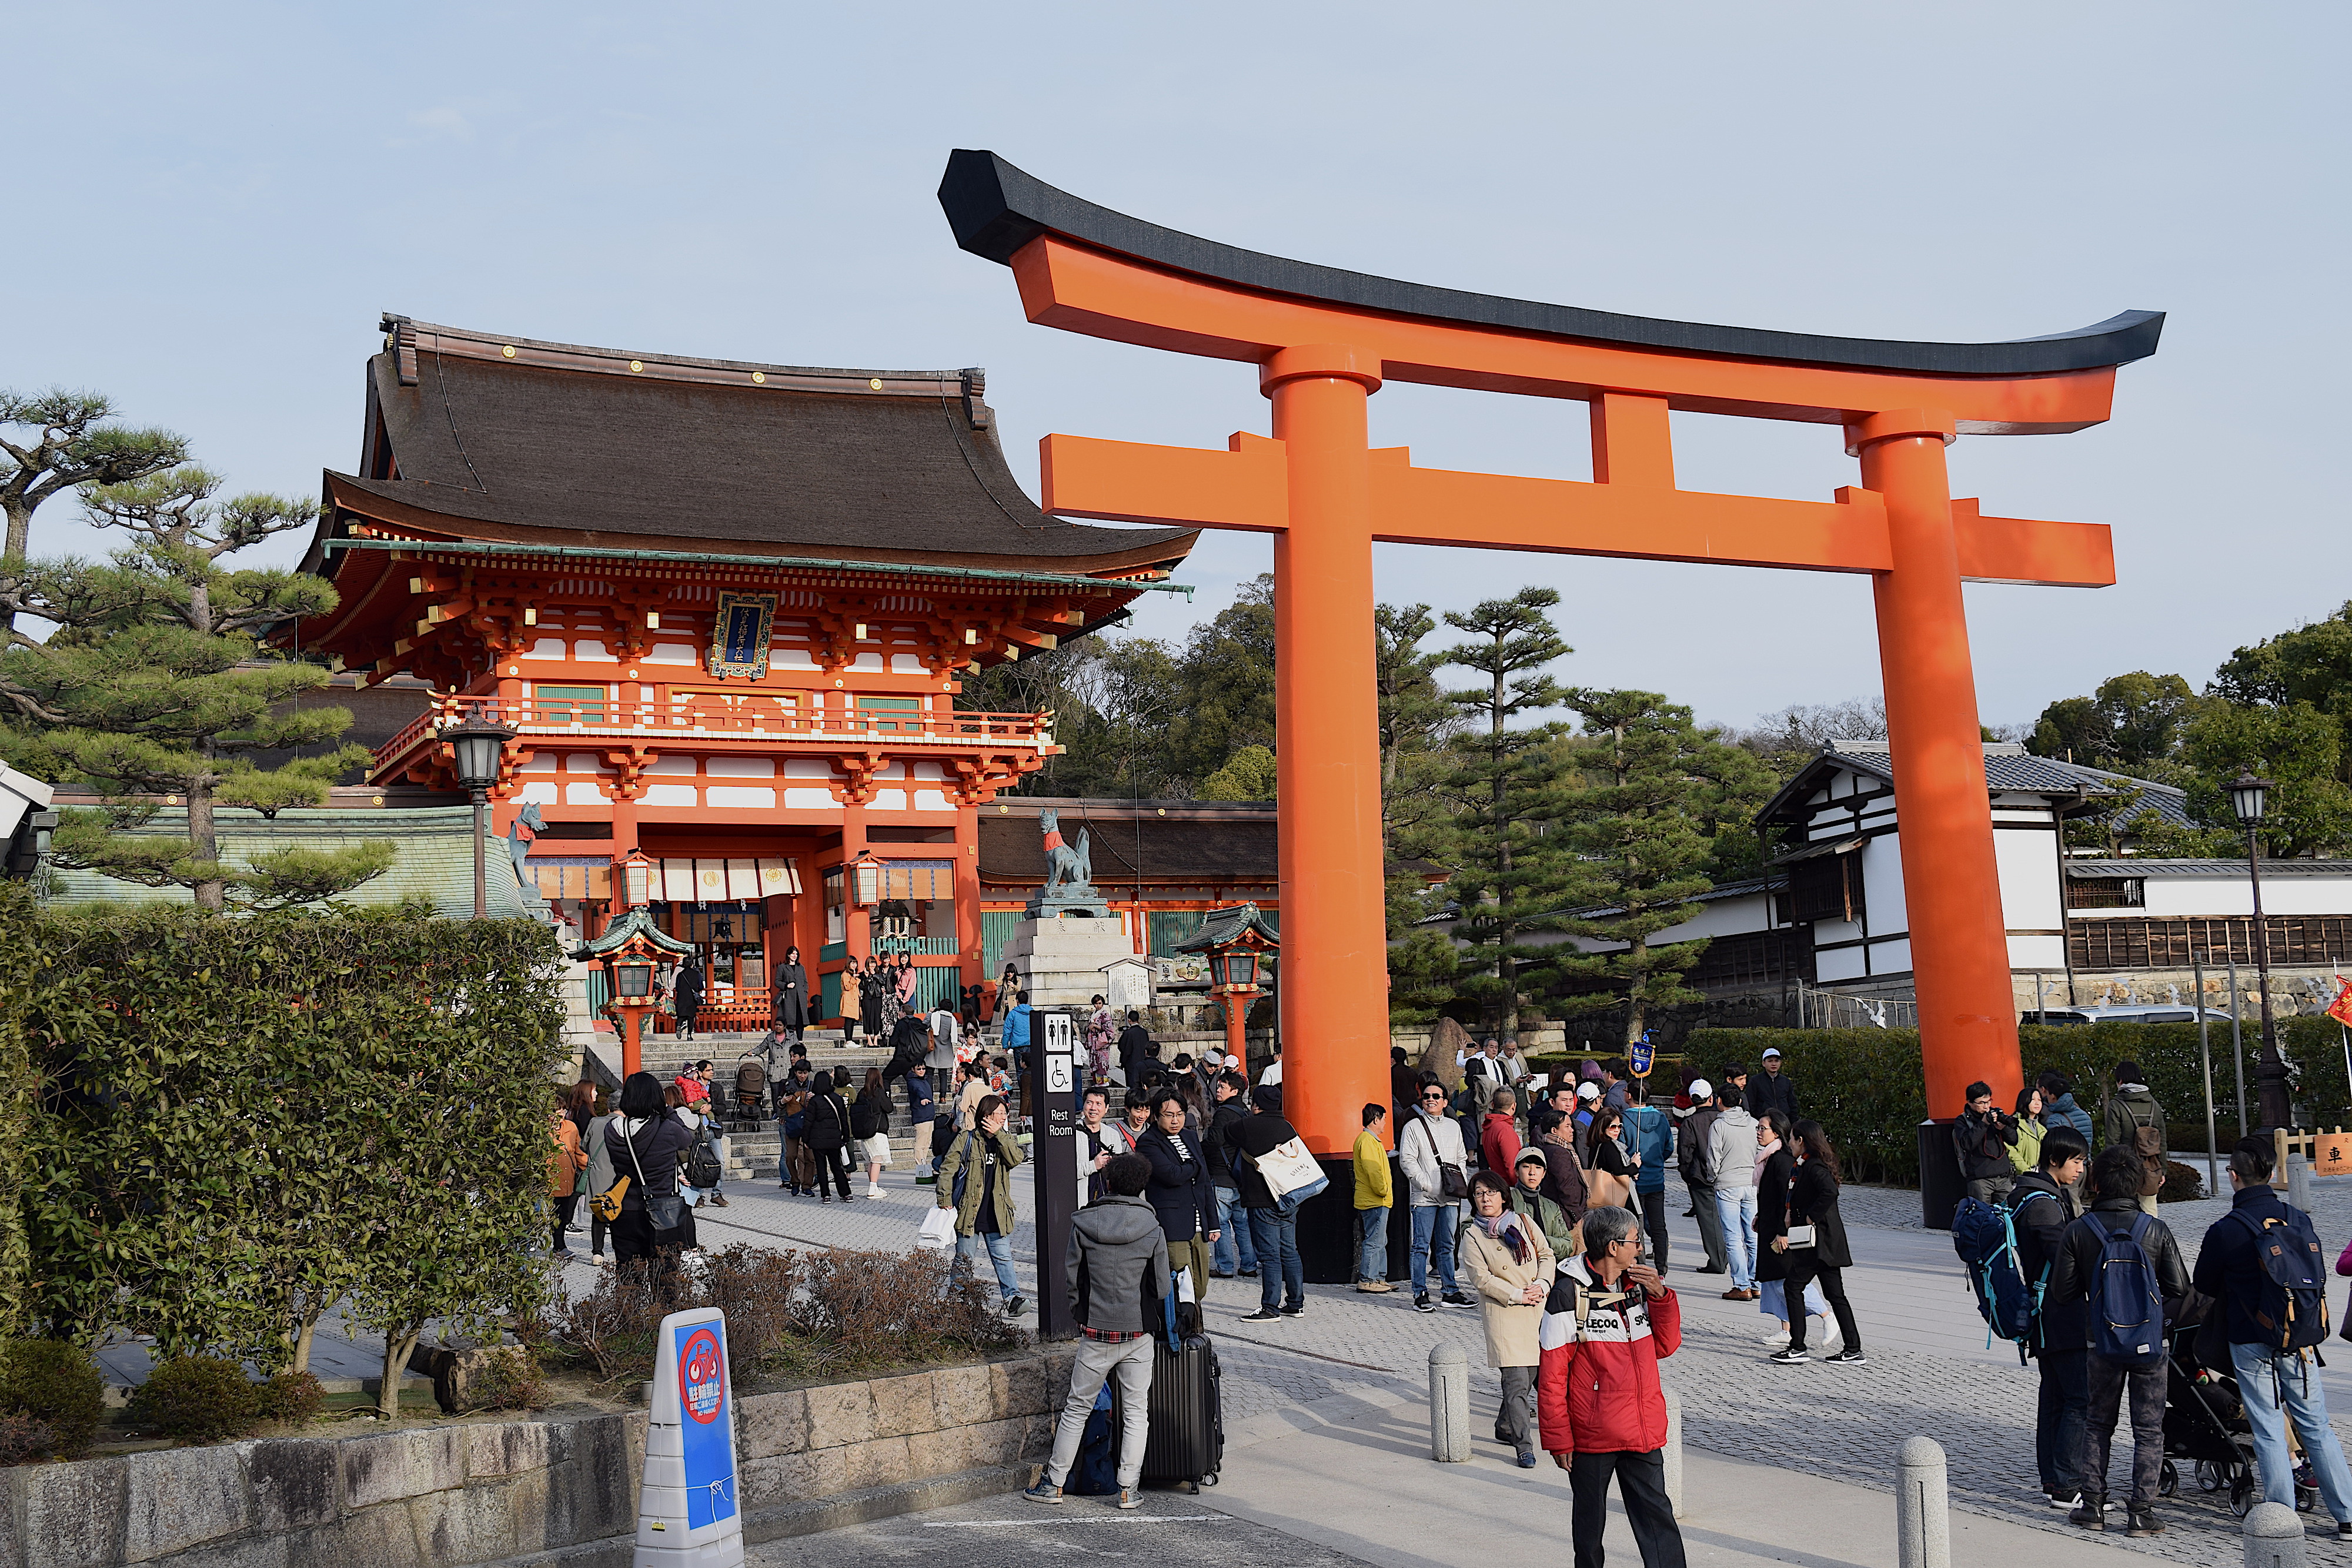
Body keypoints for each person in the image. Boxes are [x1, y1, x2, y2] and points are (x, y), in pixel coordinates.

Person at [2196, 1135, 2352, 1534]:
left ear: (2233, 1175)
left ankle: (2281, 1514)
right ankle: (2347, 1513)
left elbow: (2205, 1283)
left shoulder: (2225, 1230)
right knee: (2316, 1423)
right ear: (2272, 1172)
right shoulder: (2299, 1219)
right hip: (2300, 1338)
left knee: (2267, 1425)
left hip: (2250, 1338)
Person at [2047, 1145, 2191, 1537]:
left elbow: (2063, 1291)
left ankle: (2092, 1506)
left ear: (2096, 1180)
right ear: (2136, 1183)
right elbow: (2180, 1286)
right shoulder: (2154, 1229)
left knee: (2097, 1423)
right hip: (2149, 1343)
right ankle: (2142, 1512)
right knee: (2149, 1429)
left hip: (2100, 1342)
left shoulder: (2080, 1230)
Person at [1539, 1206, 1687, 1568]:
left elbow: (1666, 1347)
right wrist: (1559, 1438)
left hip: (1642, 1429)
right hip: (1592, 1435)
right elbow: (1552, 1374)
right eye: (1635, 1242)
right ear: (1612, 1247)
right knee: (1589, 1530)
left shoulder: (1639, 1288)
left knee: (1659, 1524)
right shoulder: (1567, 1293)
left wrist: (1661, 1296)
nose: (1640, 1249)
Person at [1023, 1153, 1168, 1510]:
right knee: (1136, 1412)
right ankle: (1128, 1489)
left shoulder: (1085, 1223)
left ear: (1108, 1182)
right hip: (1137, 1334)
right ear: (1142, 1186)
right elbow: (1162, 1286)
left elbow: (1072, 1278)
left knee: (1076, 1409)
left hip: (1096, 1333)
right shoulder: (1152, 1228)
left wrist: (1081, 1313)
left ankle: (1054, 1483)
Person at [2011, 1125, 2091, 1510]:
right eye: (2076, 1160)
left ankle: (2052, 1479)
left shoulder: (2035, 1193)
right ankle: (2066, 1484)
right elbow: (2065, 1257)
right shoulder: (2043, 1203)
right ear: (2055, 1159)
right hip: (2058, 1312)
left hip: (2045, 1313)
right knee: (2079, 1396)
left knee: (2056, 1396)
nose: (2081, 1168)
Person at [1459, 1169, 1557, 1468]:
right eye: (1479, 1194)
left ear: (1503, 1196)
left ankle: (1504, 1425)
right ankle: (1523, 1445)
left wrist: (1542, 1284)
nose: (1486, 1199)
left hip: (1536, 1308)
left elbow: (1547, 1255)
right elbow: (1482, 1279)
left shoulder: (1524, 1223)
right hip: (1505, 1312)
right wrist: (1517, 1294)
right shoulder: (1473, 1235)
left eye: (1491, 1192)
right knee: (1515, 1382)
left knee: (1529, 1377)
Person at [1773, 1119, 1865, 1365]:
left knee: (1793, 1287)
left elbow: (1830, 1193)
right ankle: (1853, 1349)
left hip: (1819, 1243)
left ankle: (1797, 1347)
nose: (1789, 1143)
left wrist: (1810, 1215)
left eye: (1791, 1138)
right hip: (1824, 1244)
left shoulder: (1813, 1166)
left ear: (1801, 1140)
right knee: (1836, 1295)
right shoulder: (1807, 1164)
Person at [936, 1093, 1028, 1313]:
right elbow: (948, 1169)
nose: (1003, 1118)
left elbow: (1016, 1159)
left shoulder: (1005, 1140)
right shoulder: (967, 1139)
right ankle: (958, 1298)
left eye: (1005, 1114)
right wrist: (944, 1199)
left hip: (996, 1211)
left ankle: (1012, 1299)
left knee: (1003, 1258)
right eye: (999, 1114)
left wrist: (1001, 1136)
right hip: (970, 1210)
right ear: (986, 1115)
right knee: (964, 1258)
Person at [1751, 1109, 1830, 1358]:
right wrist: (1759, 1216)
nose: (1759, 1132)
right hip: (1769, 1226)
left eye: (1763, 1128)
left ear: (1777, 1132)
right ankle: (1787, 1329)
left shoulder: (1781, 1159)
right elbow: (1769, 1196)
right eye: (1758, 1127)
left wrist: (1783, 1230)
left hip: (1779, 1231)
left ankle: (1826, 1316)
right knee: (1775, 1282)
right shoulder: (1769, 1157)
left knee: (1786, 1280)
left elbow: (1786, 1198)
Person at [604, 1072, 695, 1282]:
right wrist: (667, 1111)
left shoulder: (613, 1129)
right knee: (665, 1277)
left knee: (628, 1277)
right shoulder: (668, 1128)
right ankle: (664, 1314)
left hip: (625, 1210)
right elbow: (686, 1138)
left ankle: (629, 1313)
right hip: (664, 1210)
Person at [1227, 1084, 1307, 1320]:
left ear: (1256, 1104)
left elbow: (1227, 1133)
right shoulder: (1287, 1126)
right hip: (1288, 1198)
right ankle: (1295, 1303)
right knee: (1289, 1251)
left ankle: (1270, 1308)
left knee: (1270, 1255)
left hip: (1263, 1200)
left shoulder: (1249, 1125)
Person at [1398, 1078, 1472, 1313]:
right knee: (1420, 1246)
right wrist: (1427, 1185)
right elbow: (1407, 1161)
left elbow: (1462, 1157)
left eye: (1435, 1097)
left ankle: (1450, 1291)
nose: (1430, 1100)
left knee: (1447, 1245)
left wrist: (1460, 1182)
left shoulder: (1453, 1126)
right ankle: (1420, 1292)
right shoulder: (1413, 1127)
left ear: (1444, 1102)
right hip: (1424, 1197)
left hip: (1450, 1195)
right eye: (1427, 1097)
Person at [1137, 1089, 1217, 1302]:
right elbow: (1172, 1175)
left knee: (1200, 1287)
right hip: (1173, 1223)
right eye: (1169, 1115)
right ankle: (1183, 1333)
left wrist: (1214, 1223)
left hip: (1199, 1224)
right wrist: (1194, 1165)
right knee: (1182, 1287)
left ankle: (1194, 1331)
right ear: (1156, 1116)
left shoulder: (1190, 1136)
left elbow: (1204, 1182)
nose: (1176, 1120)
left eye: (1180, 1114)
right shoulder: (1148, 1142)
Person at [1708, 1083, 1760, 1301]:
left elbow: (1714, 1157)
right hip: (1751, 1182)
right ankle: (1757, 1282)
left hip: (1728, 1183)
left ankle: (1741, 1285)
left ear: (1719, 1100)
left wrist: (1713, 1177)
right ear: (1739, 1101)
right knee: (1754, 1234)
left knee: (1732, 1237)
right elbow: (1760, 1152)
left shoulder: (1718, 1126)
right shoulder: (1754, 1124)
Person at [1206, 1070, 1260, 1279]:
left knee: (1221, 1224)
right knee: (1242, 1224)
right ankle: (1248, 1265)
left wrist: (1199, 1148)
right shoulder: (1245, 1112)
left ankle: (1225, 1266)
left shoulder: (1224, 1113)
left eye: (1222, 1087)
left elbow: (1214, 1142)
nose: (1218, 1090)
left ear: (1234, 1090)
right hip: (1240, 1176)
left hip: (1221, 1174)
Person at [2102, 1061, 2167, 1216]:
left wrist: (2109, 1171)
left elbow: (2112, 1142)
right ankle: (2150, 1238)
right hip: (2150, 1166)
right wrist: (2162, 1170)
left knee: (2124, 1209)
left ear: (2121, 1081)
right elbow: (2162, 1141)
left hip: (2123, 1167)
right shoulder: (2154, 1105)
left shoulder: (2116, 1105)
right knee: (2149, 1208)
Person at [1622, 1081, 1673, 1275]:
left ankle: (1639, 1265)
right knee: (1659, 1226)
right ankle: (1662, 1269)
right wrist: (1657, 1160)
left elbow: (1621, 1149)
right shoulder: (1661, 1118)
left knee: (1636, 1227)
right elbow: (1668, 1147)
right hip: (1656, 1178)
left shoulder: (1624, 1120)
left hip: (1634, 1180)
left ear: (1628, 1096)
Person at [1678, 1079, 1727, 1275]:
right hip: (1726, 1175)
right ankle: (1726, 1257)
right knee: (1726, 1220)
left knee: (1708, 1221)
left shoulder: (1690, 1122)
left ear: (1692, 1099)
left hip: (1701, 1177)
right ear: (1711, 1098)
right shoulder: (1722, 1118)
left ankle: (1717, 1260)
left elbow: (1685, 1153)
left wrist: (1687, 1175)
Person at [1954, 1081, 2019, 1206]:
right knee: (1981, 1216)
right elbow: (1966, 1144)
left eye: (1989, 1101)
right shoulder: (1962, 1121)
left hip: (2003, 1177)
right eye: (1981, 1103)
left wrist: (2004, 1128)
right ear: (1969, 1102)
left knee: (2008, 1215)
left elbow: (2014, 1141)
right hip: (1980, 1179)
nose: (1986, 1106)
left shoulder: (1994, 1115)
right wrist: (1983, 1124)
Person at [1509, 1148, 1579, 1259]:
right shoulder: (1504, 1199)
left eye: (1538, 1168)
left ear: (1544, 1174)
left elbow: (1567, 1244)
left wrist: (1543, 1242)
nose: (1532, 1173)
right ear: (1517, 1171)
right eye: (1526, 1167)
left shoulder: (1552, 1207)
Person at [1354, 1102, 1394, 1292]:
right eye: (1384, 1119)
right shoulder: (1367, 1141)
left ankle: (1378, 1277)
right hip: (1375, 1200)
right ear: (1376, 1119)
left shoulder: (1370, 1140)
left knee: (1380, 1240)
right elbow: (1373, 1171)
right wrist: (1384, 1190)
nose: (1386, 1123)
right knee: (1374, 1240)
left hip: (1377, 1200)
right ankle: (1368, 1279)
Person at [802, 1068, 854, 1202]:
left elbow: (808, 1122)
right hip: (835, 1138)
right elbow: (844, 1120)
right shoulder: (837, 1099)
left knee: (821, 1168)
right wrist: (845, 1137)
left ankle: (826, 1195)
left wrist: (805, 1139)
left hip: (818, 1139)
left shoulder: (815, 1101)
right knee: (836, 1166)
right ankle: (846, 1193)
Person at [583, 1090, 620, 1266]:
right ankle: (619, 1251)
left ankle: (597, 1253)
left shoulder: (595, 1122)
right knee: (619, 1215)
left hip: (598, 1173)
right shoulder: (627, 1124)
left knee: (598, 1215)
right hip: (621, 1177)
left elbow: (584, 1145)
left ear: (608, 1108)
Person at [549, 1090, 586, 1260]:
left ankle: (560, 1245)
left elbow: (577, 1151)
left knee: (564, 1215)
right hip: (549, 1181)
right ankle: (557, 1246)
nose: (561, 1115)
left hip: (569, 1178)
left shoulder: (571, 1127)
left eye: (563, 1111)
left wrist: (588, 1167)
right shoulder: (543, 1131)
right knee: (552, 1215)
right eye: (558, 1111)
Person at [854, 1065, 893, 1199]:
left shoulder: (862, 1093)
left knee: (871, 1160)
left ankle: (874, 1186)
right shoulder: (879, 1092)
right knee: (877, 1160)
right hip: (878, 1129)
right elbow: (889, 1108)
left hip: (865, 1129)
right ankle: (872, 1188)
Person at [1077, 1086, 1116, 1206]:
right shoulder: (1072, 1134)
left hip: (1106, 1202)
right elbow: (1063, 1173)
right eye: (1089, 1103)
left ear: (1106, 1108)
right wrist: (1094, 1165)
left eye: (1099, 1104)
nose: (1093, 1108)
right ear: (1083, 1106)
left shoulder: (1112, 1135)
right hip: (1080, 1202)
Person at [1745, 1046, 1799, 1125]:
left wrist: (1794, 1123)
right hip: (1764, 1122)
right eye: (1770, 1061)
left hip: (1784, 1122)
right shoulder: (1755, 1081)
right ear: (1764, 1063)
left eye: (1777, 1061)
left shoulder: (1786, 1081)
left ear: (1780, 1063)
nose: (1774, 1064)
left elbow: (1792, 1104)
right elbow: (1751, 1103)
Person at [1481, 1087, 1523, 1177]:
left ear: (1492, 1105)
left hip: (1497, 1179)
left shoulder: (1490, 1125)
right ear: (1514, 1106)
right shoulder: (1505, 1130)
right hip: (1507, 1184)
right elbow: (1512, 1165)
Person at [771, 944, 811, 1041]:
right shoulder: (782, 967)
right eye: (793, 954)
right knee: (789, 1020)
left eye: (796, 954)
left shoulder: (801, 967)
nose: (795, 955)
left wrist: (805, 991)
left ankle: (800, 1040)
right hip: (789, 997)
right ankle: (789, 1040)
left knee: (800, 1019)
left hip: (801, 997)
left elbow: (805, 982)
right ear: (788, 955)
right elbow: (777, 981)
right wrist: (786, 985)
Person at [2007, 1085, 2047, 1178]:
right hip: (2020, 1175)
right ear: (2024, 1101)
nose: (2037, 1103)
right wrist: (2026, 1170)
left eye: (2039, 1100)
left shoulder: (2042, 1129)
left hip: (2038, 1175)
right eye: (2033, 1099)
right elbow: (2011, 1151)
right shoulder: (2013, 1123)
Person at [1117, 1010, 1154, 1087]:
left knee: (1132, 1085)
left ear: (1129, 1020)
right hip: (1144, 1061)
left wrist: (1123, 1061)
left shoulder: (1128, 1033)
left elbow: (1122, 1047)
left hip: (1131, 1063)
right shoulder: (1144, 1032)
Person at [671, 958, 703, 1042]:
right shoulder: (696, 974)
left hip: (682, 997)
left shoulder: (680, 975)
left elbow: (677, 988)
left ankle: (679, 1025)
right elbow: (701, 986)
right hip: (691, 998)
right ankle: (689, 1035)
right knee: (690, 1016)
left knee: (681, 1014)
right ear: (691, 964)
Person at [1001, 989, 1034, 1059]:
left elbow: (1007, 1031)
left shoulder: (1012, 1014)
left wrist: (1005, 1046)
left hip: (1018, 1045)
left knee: (1020, 1069)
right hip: (1032, 1045)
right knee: (1032, 1068)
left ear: (1017, 1001)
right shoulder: (1034, 1013)